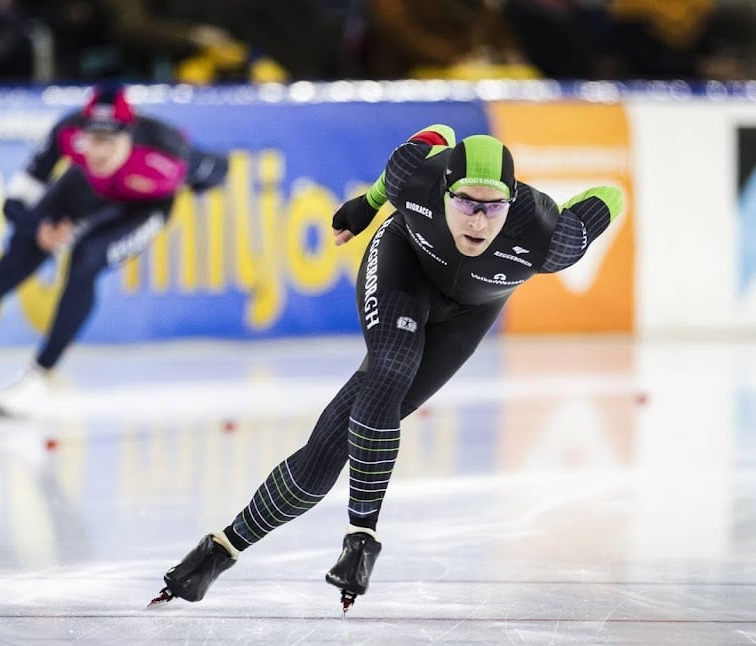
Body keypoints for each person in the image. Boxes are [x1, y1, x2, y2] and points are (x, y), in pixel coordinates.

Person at [150, 125, 624, 612]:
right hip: (405, 267)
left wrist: (567, 207)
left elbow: (611, 193)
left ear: (510, 201)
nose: (479, 222)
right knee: (390, 369)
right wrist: (368, 204)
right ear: (443, 190)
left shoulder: (551, 237)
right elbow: (437, 134)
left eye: (493, 207)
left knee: (322, 458)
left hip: (468, 315)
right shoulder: (414, 178)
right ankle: (362, 539)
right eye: (466, 203)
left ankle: (216, 552)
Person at [0, 83, 228, 415]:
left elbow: (218, 170)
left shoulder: (169, 153)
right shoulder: (66, 133)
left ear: (130, 135)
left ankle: (39, 376)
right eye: (91, 139)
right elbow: (14, 202)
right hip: (83, 191)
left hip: (143, 207)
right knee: (7, 267)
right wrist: (38, 228)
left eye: (108, 141)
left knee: (87, 258)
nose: (97, 151)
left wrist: (205, 182)